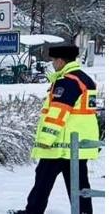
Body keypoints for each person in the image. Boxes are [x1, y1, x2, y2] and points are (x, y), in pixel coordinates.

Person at [9, 44, 100, 214]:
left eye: (53, 61)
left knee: (43, 180)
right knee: (79, 183)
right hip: (78, 144)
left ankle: (33, 212)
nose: (52, 64)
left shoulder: (67, 82)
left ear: (60, 61)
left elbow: (59, 112)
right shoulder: (85, 79)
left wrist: (45, 140)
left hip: (60, 144)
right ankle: (84, 212)